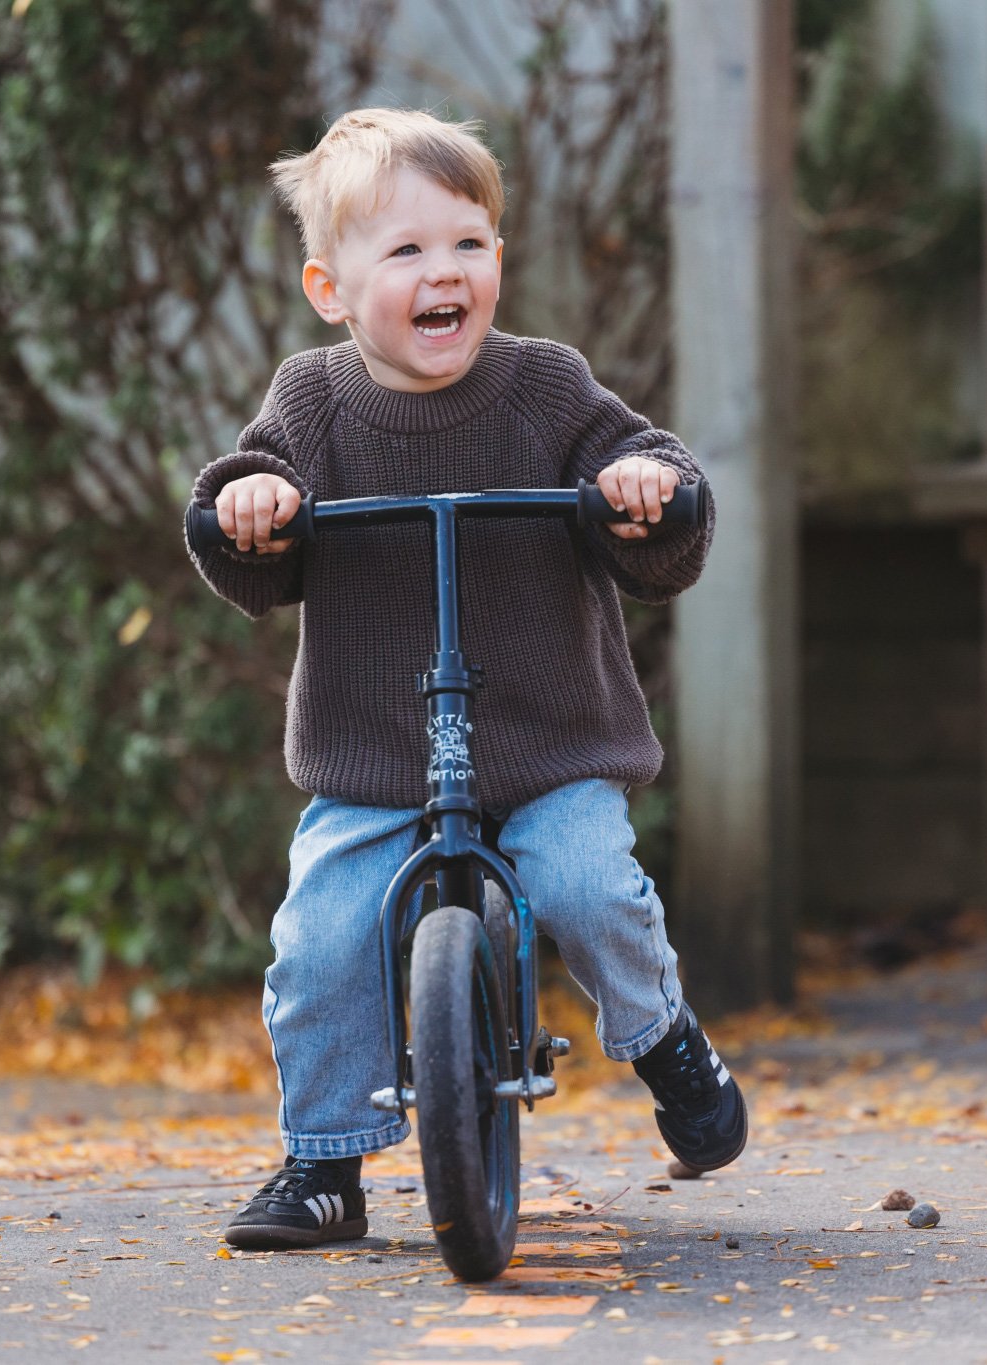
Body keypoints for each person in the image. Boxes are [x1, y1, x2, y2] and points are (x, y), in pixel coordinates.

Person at [185, 108, 744, 1251]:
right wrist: (249, 512)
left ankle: (665, 1040)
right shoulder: (311, 403)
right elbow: (249, 506)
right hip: (375, 760)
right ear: (330, 288)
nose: (443, 273)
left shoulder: (544, 389)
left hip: (545, 747)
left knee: (588, 885)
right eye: (404, 253)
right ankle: (324, 1162)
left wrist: (642, 488)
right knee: (322, 936)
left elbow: (650, 478)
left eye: (467, 245)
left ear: (496, 259)